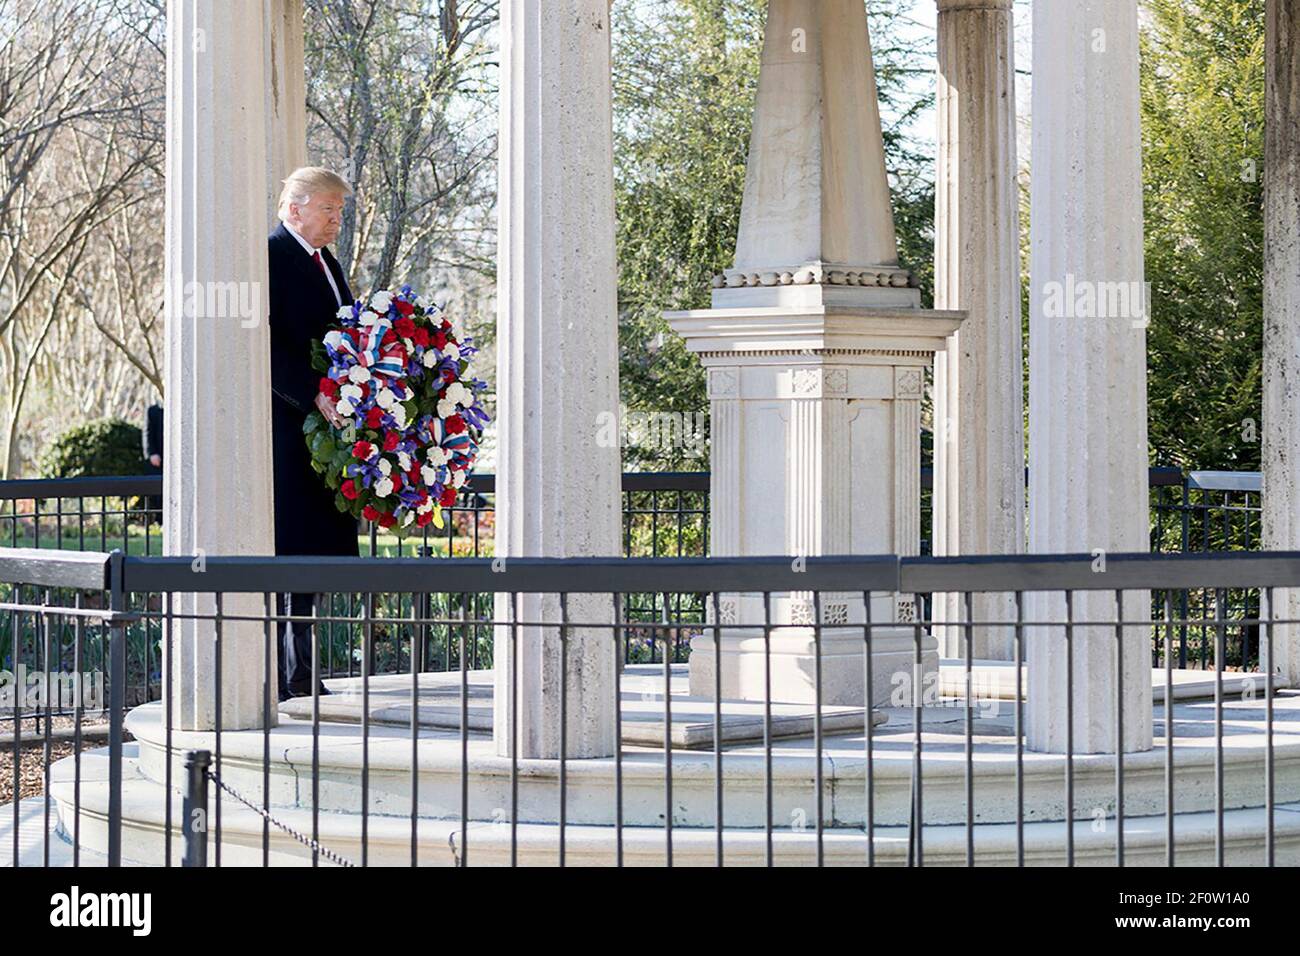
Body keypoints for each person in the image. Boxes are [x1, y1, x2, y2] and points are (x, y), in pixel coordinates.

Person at [268, 167, 360, 701]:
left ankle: (301, 670)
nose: (336, 220)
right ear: (295, 207)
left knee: (315, 558)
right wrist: (314, 393)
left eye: (340, 212)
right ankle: (287, 673)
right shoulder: (273, 256)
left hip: (325, 438)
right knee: (292, 552)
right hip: (291, 433)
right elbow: (266, 343)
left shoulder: (328, 263)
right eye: (329, 209)